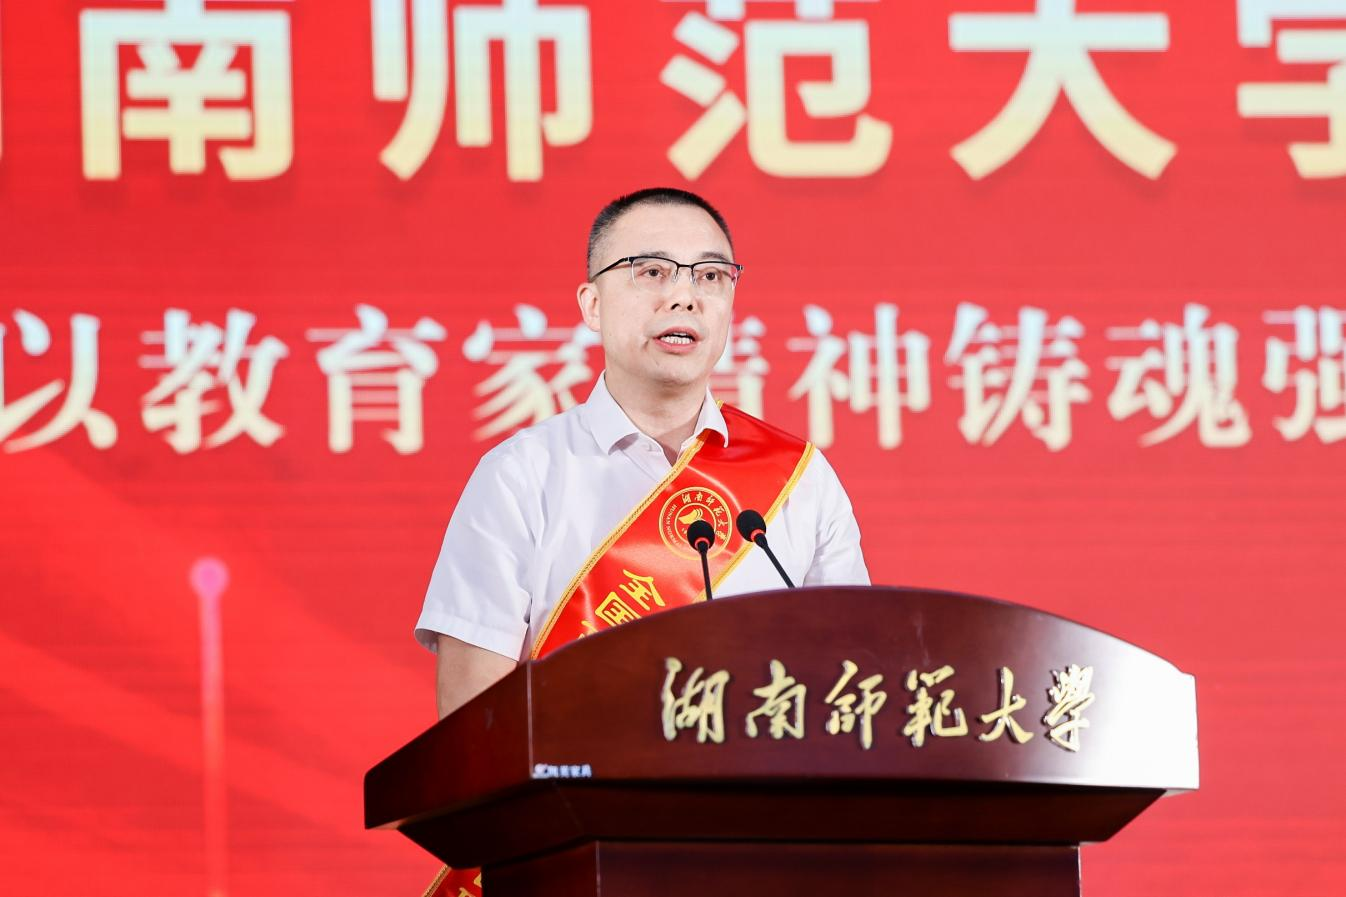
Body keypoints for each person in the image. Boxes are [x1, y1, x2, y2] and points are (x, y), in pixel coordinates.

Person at [416, 187, 870, 720]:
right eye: (652, 272)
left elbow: (854, 683)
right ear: (592, 305)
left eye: (710, 276)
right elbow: (471, 721)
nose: (684, 297)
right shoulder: (520, 477)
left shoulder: (799, 478)